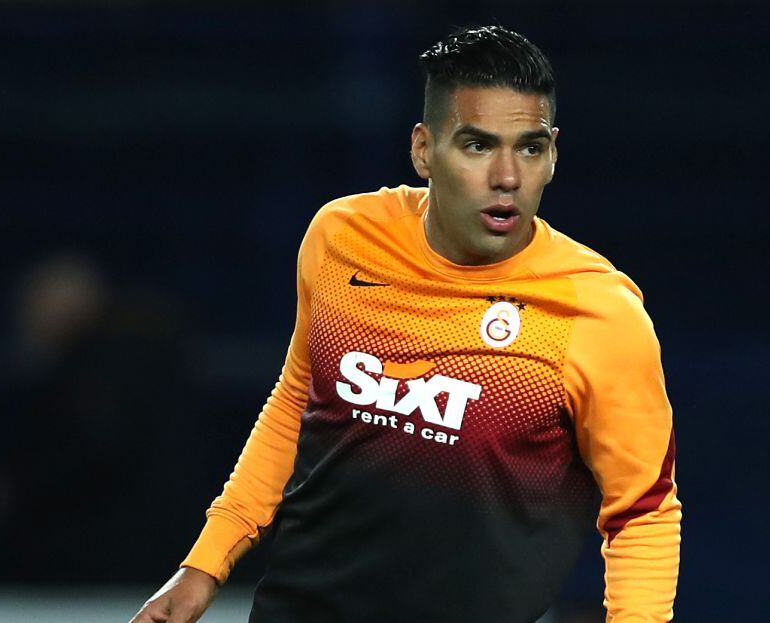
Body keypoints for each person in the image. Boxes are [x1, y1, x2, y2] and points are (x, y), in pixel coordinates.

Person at [131, 25, 680, 623]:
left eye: (528, 148)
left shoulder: (598, 313)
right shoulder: (343, 239)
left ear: (553, 155)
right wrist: (204, 565)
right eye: (477, 146)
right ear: (424, 150)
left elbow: (643, 512)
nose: (507, 176)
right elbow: (296, 402)